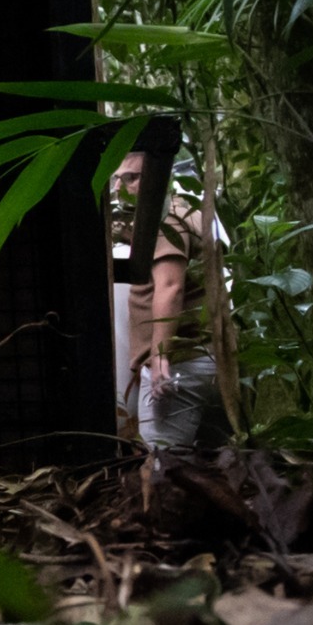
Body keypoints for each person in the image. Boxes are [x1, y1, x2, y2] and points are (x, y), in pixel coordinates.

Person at [114, 152, 220, 449]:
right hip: (206, 358)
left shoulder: (164, 219)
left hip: (179, 364)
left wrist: (160, 356)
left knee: (164, 466)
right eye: (117, 179)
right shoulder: (187, 209)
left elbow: (171, 285)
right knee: (217, 465)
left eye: (132, 178)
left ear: (159, 177)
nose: (122, 186)